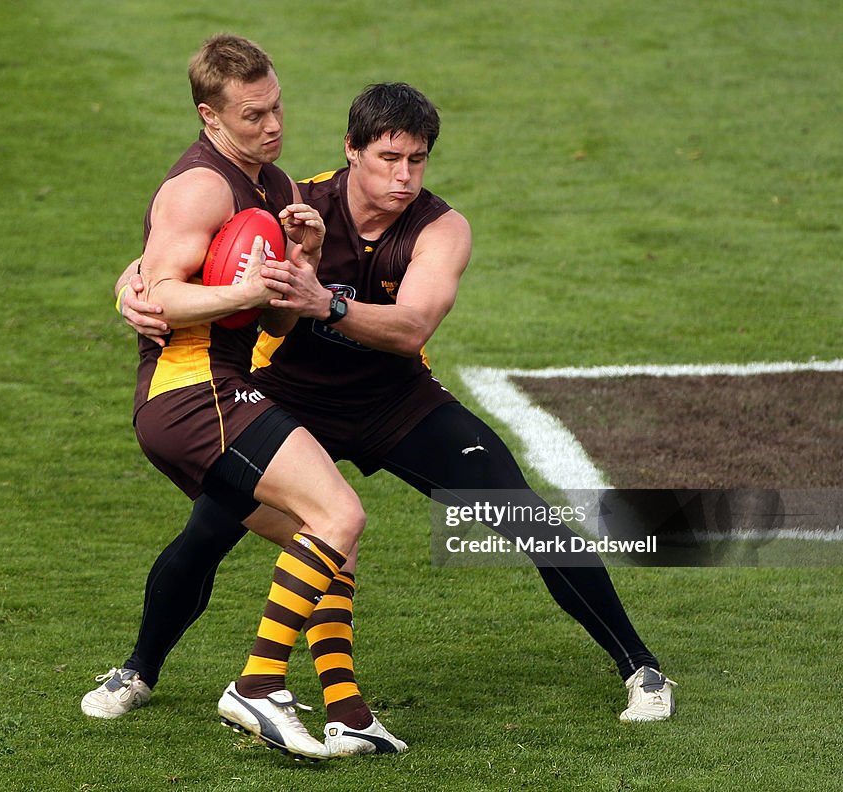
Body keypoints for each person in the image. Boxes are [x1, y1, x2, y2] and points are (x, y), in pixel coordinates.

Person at [89, 82, 677, 753]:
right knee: (206, 533)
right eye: (388, 158)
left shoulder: (439, 228)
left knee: (525, 515)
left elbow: (412, 326)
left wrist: (325, 304)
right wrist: (129, 287)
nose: (403, 176)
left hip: (395, 402)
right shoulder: (296, 202)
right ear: (351, 151)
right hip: (289, 394)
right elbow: (183, 255)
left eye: (417, 160)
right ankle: (138, 670)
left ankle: (642, 667)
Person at [113, 33, 385, 762]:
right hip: (191, 392)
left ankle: (349, 711)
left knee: (330, 542)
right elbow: (162, 293)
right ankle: (258, 688)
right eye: (252, 116)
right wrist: (245, 287)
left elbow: (272, 318)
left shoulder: (280, 186)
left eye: (277, 109)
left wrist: (299, 260)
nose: (272, 126)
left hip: (221, 387)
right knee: (340, 510)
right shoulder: (200, 186)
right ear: (210, 115)